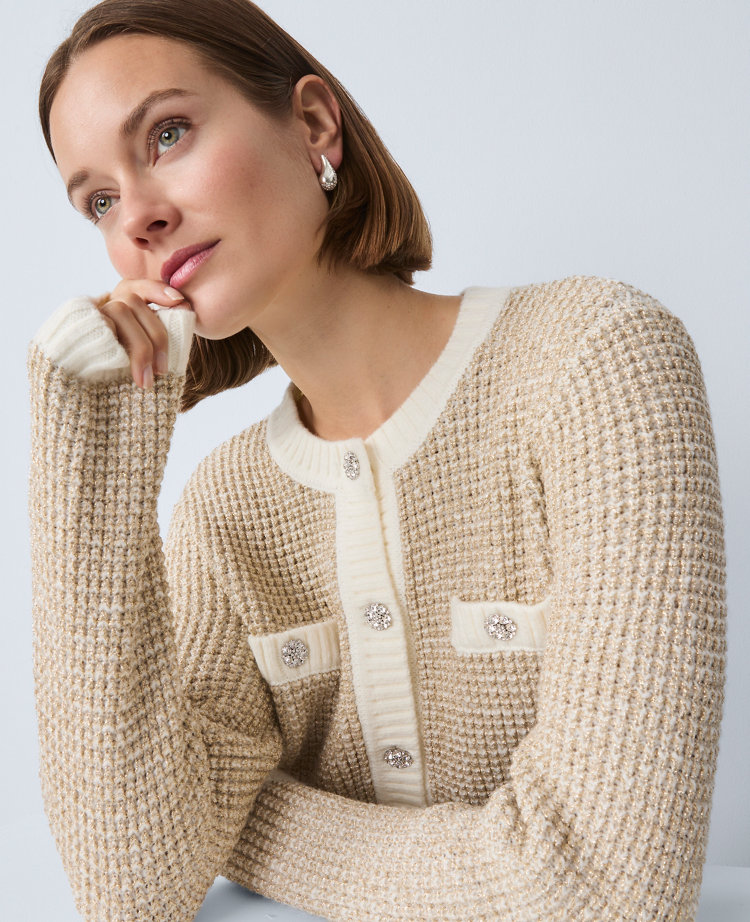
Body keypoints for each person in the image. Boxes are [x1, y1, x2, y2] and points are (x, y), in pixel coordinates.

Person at [28, 1, 727, 920]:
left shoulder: (595, 363)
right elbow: (135, 885)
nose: (140, 220)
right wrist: (92, 462)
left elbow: (608, 890)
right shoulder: (225, 509)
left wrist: (245, 824)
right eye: (100, 201)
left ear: (314, 124)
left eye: (168, 134)